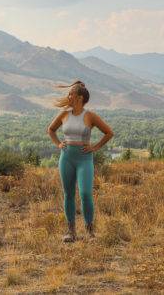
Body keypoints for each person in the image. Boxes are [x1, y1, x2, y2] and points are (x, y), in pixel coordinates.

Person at [46, 80, 114, 242]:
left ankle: (90, 231)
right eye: (69, 94)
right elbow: (51, 130)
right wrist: (58, 144)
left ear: (80, 97)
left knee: (85, 193)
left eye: (71, 94)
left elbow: (109, 133)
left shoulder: (90, 116)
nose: (68, 96)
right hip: (67, 157)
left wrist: (95, 147)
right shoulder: (64, 113)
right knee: (68, 194)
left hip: (84, 158)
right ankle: (71, 232)